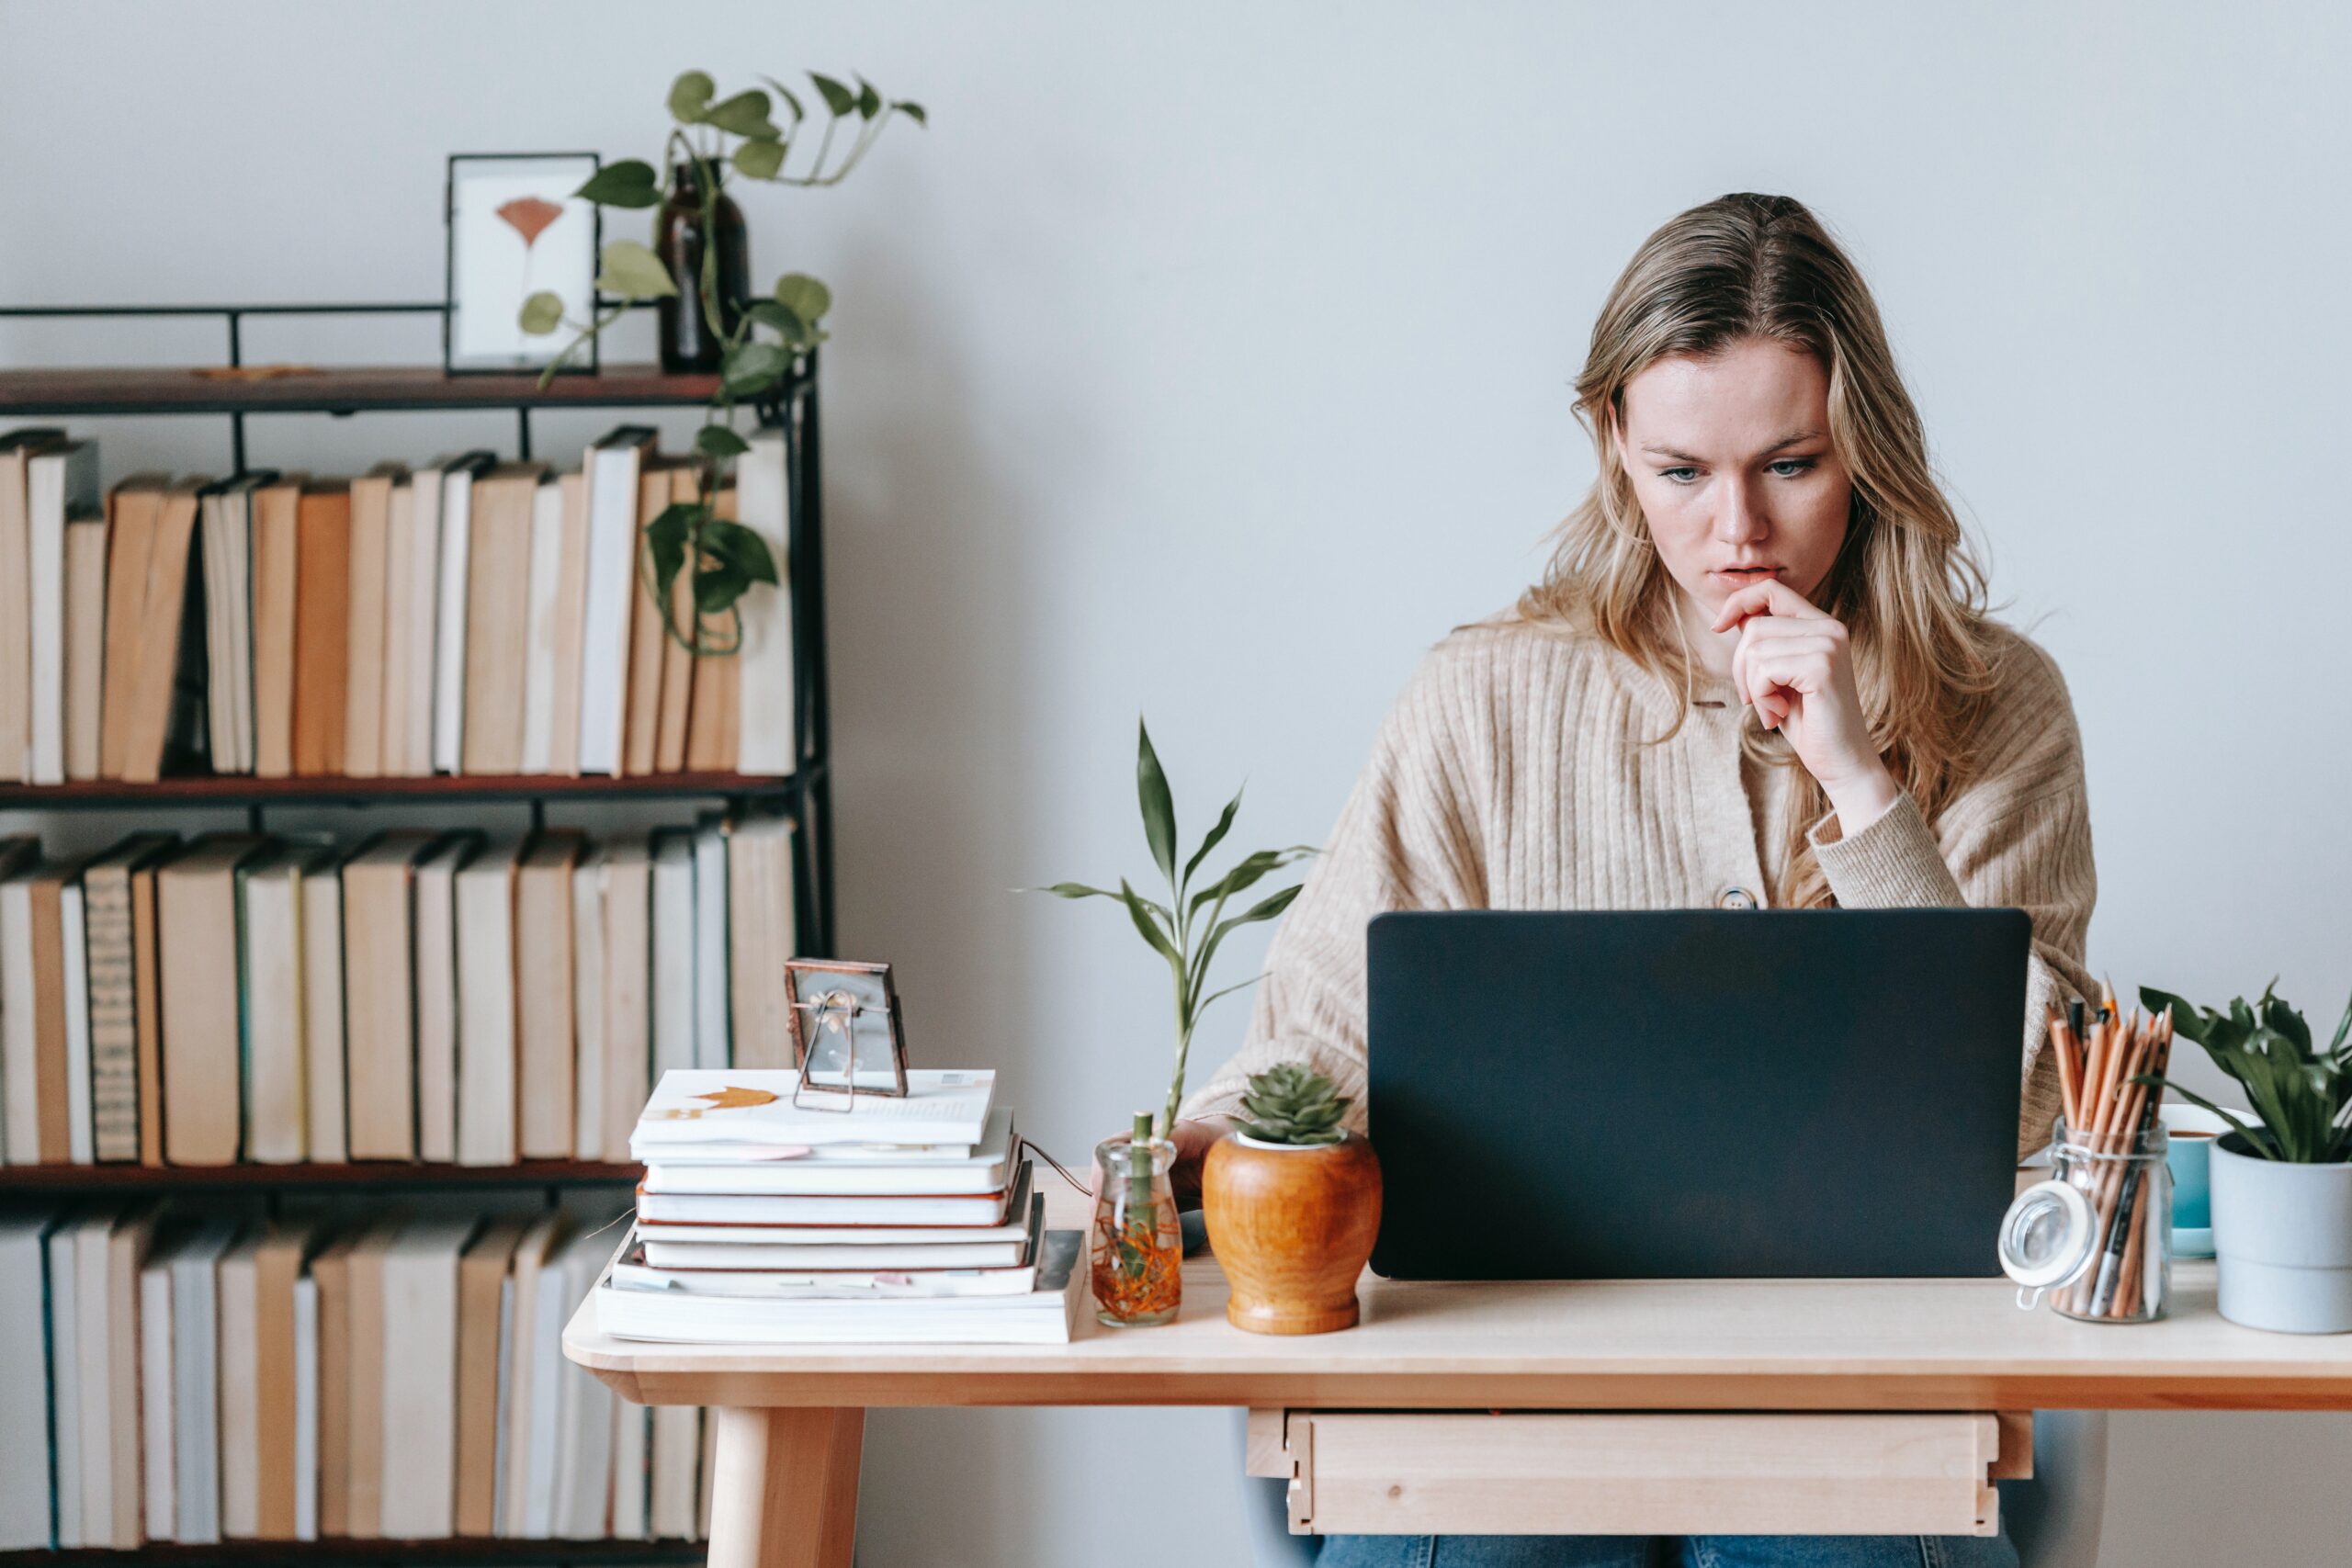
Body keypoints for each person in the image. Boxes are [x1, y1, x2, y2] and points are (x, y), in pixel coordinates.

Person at [1165, 193, 2097, 1568]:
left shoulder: (1998, 703)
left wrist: (1861, 784)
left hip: (1865, 1411)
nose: (1739, 533)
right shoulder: (1481, 699)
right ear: (1612, 443)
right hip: (1503, 1405)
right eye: (1680, 473)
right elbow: (1314, 1053)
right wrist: (1149, 1173)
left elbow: (2044, 1117)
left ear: (1869, 449)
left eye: (1790, 464)